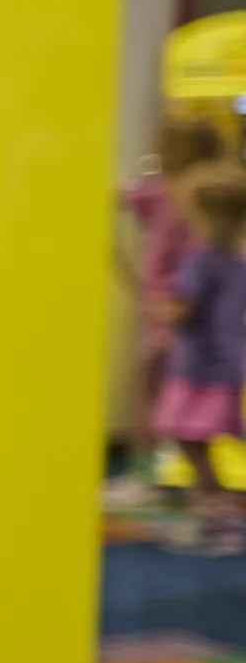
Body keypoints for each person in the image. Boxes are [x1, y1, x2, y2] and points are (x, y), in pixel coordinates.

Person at [119, 118, 228, 490]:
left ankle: (146, 470)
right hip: (175, 311)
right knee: (171, 395)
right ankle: (159, 471)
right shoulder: (197, 195)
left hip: (176, 313)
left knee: (160, 391)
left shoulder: (180, 196)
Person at [155, 163, 246, 556]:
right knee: (203, 433)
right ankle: (213, 510)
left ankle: (214, 507)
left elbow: (183, 306)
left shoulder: (201, 260)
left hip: (198, 367)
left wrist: (163, 311)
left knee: (186, 431)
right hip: (224, 364)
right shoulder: (236, 260)